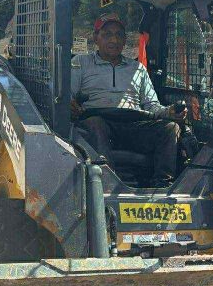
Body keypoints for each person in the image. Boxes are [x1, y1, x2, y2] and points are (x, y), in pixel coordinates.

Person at [70, 17, 187, 185]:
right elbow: (67, 95)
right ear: (96, 38)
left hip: (133, 124)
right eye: (107, 34)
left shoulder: (137, 68)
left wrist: (168, 112)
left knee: (170, 128)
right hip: (99, 123)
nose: (114, 39)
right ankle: (107, 184)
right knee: (95, 123)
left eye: (119, 35)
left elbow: (151, 105)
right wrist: (70, 104)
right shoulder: (81, 63)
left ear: (125, 40)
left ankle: (163, 185)